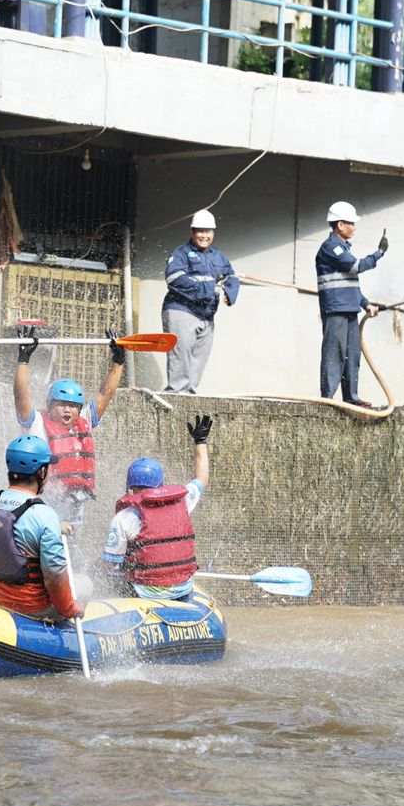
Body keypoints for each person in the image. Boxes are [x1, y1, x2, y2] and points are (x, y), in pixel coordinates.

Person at [12, 327, 125, 526]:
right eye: (62, 404)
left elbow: (105, 393)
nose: (68, 410)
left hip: (75, 500)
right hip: (47, 499)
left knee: (70, 538)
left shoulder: (84, 421)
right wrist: (23, 360)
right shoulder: (37, 423)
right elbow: (21, 397)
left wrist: (118, 362)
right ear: (50, 406)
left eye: (73, 406)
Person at [0, 435, 85, 621]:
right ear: (42, 472)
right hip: (31, 608)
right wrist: (70, 609)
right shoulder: (45, 515)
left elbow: (0, 547)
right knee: (85, 585)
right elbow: (54, 576)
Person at [102, 415, 212, 600]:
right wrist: (200, 441)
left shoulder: (125, 518)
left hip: (144, 591)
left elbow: (109, 564)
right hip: (182, 587)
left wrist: (88, 573)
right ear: (161, 485)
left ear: (130, 487)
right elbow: (202, 479)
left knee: (109, 576)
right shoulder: (182, 501)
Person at [315, 200, 388, 407]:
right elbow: (355, 267)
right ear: (340, 225)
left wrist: (365, 304)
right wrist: (379, 253)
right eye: (351, 223)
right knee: (334, 354)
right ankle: (327, 400)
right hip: (335, 310)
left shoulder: (343, 248)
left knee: (352, 355)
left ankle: (351, 398)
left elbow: (350, 284)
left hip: (349, 309)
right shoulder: (331, 248)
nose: (354, 228)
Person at [162, 209, 240, 393]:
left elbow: (231, 276)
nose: (204, 235)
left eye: (208, 231)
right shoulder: (181, 253)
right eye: (200, 231)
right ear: (192, 232)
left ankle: (189, 397)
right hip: (182, 311)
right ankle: (176, 395)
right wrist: (210, 289)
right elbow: (174, 279)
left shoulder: (218, 256)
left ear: (213, 232)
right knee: (180, 361)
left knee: (198, 363)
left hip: (207, 316)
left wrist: (230, 292)